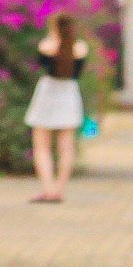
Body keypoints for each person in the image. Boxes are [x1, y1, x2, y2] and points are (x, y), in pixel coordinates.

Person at [25, 12, 88, 203]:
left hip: (48, 93)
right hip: (69, 94)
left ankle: (48, 189)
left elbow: (42, 62)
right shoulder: (80, 48)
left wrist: (53, 36)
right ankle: (59, 190)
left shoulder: (46, 46)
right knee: (67, 148)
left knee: (42, 146)